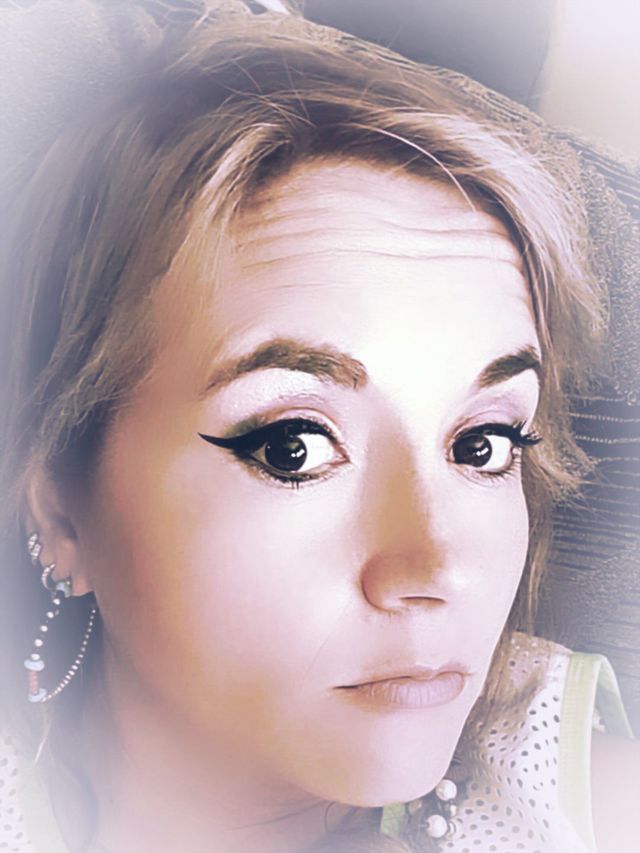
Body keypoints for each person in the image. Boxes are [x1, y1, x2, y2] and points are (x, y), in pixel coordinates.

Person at [0, 3, 637, 852]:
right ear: (61, 510)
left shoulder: (586, 807)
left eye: (482, 444)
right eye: (292, 446)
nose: (434, 570)